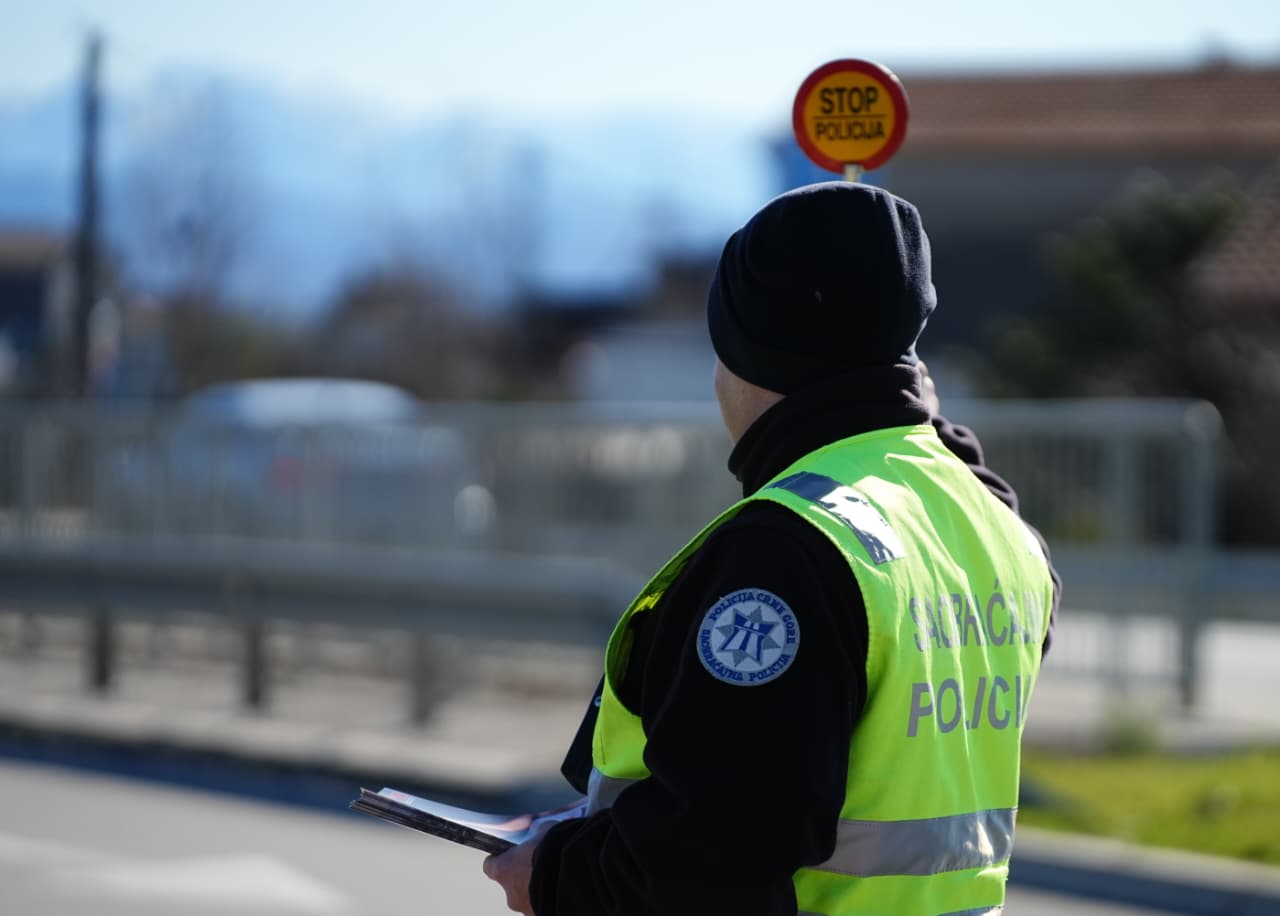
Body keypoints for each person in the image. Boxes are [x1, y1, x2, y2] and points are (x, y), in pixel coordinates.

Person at [483, 181, 1060, 916]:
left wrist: (557, 873)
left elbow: (716, 857)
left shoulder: (785, 552)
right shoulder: (994, 523)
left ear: (750, 356)